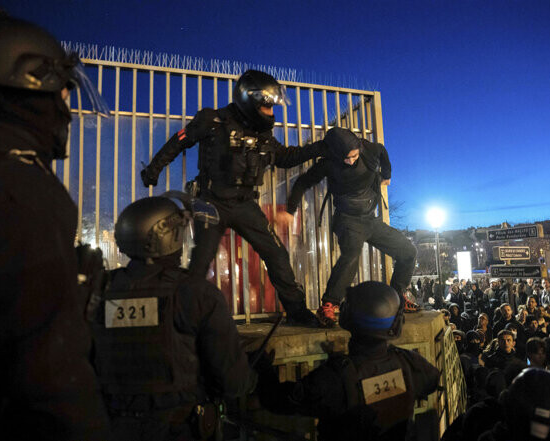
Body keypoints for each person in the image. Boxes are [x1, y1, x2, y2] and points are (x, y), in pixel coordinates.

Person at [0, 10, 111, 440]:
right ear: (31, 84)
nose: (67, 110)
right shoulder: (21, 188)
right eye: (63, 93)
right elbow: (50, 369)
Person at [140, 69, 323, 326]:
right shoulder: (213, 120)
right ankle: (181, 318)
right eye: (267, 106)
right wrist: (153, 169)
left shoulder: (263, 134)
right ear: (249, 101)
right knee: (201, 261)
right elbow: (179, 141)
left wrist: (321, 148)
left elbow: (286, 157)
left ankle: (296, 311)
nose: (271, 113)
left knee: (276, 254)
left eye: (273, 107)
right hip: (210, 202)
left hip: (245, 204)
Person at [91, 194, 257, 441]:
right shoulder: (196, 293)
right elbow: (233, 383)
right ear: (171, 237)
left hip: (112, 427)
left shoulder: (100, 290)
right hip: (179, 430)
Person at [253, 281, 439, 440]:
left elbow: (276, 401)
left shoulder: (331, 380)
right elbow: (430, 381)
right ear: (396, 324)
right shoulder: (411, 364)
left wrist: (263, 367)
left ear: (346, 317)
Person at [277, 127, 417, 326]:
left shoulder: (369, 148)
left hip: (370, 219)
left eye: (354, 156)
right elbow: (302, 182)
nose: (351, 161)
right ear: (335, 154)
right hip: (348, 219)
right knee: (351, 255)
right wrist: (290, 211)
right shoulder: (328, 164)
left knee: (408, 252)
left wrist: (387, 174)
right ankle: (329, 304)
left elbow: (383, 152)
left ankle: (397, 297)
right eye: (346, 158)